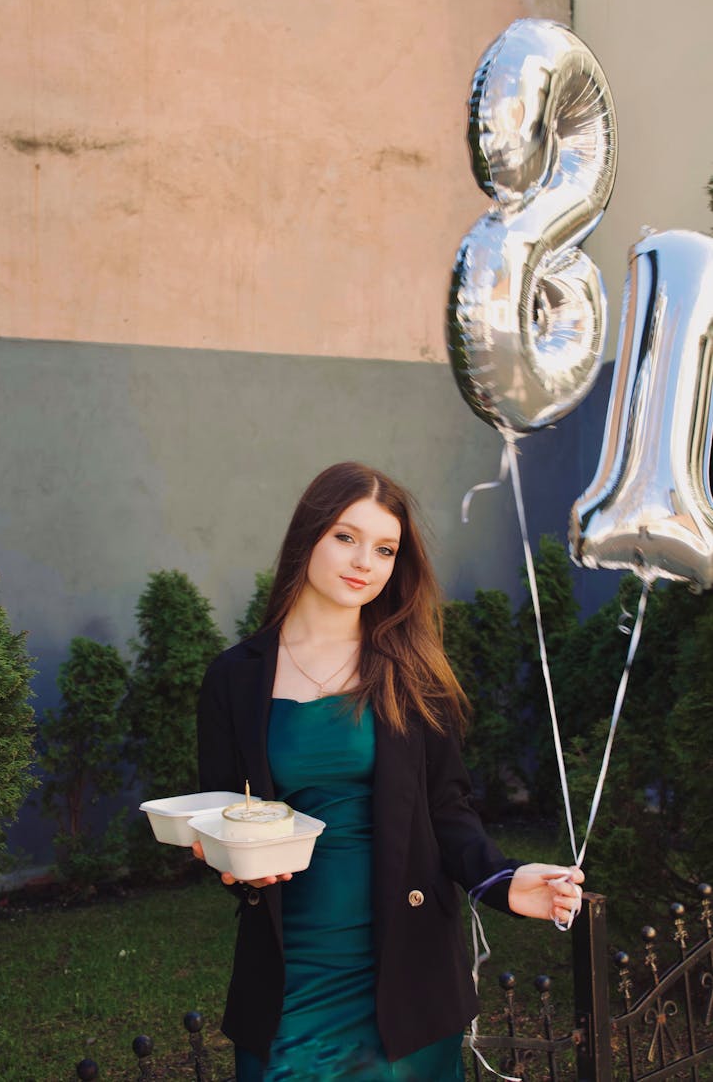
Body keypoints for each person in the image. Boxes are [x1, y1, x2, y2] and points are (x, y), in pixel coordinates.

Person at [195, 461, 583, 1081]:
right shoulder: (234, 677)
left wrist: (501, 879)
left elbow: (447, 809)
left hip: (406, 963)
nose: (365, 563)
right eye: (346, 537)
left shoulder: (410, 671)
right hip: (292, 958)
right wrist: (230, 865)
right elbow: (217, 814)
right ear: (309, 537)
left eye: (385, 549)